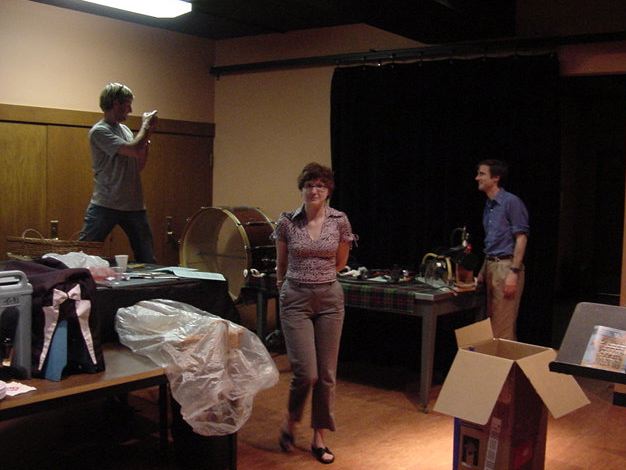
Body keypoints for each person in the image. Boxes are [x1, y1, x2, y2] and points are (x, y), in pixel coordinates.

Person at [273, 162, 355, 465]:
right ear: (302, 189)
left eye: (320, 185)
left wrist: (321, 278)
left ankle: (319, 437)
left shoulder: (339, 221)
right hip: (295, 298)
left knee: (327, 375)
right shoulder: (287, 222)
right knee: (307, 373)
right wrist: (284, 288)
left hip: (330, 299)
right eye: (309, 185)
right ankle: (291, 420)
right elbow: (281, 264)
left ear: (328, 190)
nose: (314, 190)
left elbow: (340, 261)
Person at [79, 82, 158, 263]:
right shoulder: (99, 131)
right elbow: (134, 149)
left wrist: (148, 136)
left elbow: (138, 165)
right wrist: (145, 126)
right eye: (128, 104)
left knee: (147, 258)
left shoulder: (125, 130)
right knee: (84, 253)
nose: (130, 110)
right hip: (106, 204)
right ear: (116, 104)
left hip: (134, 205)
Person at [475, 159, 529, 340]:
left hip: (506, 267)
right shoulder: (489, 206)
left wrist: (513, 272)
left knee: (502, 327)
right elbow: (492, 242)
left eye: (482, 174)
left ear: (495, 178)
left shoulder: (511, 202)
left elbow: (521, 238)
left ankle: (504, 359)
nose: (477, 178)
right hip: (491, 265)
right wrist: (483, 270)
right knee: (490, 323)